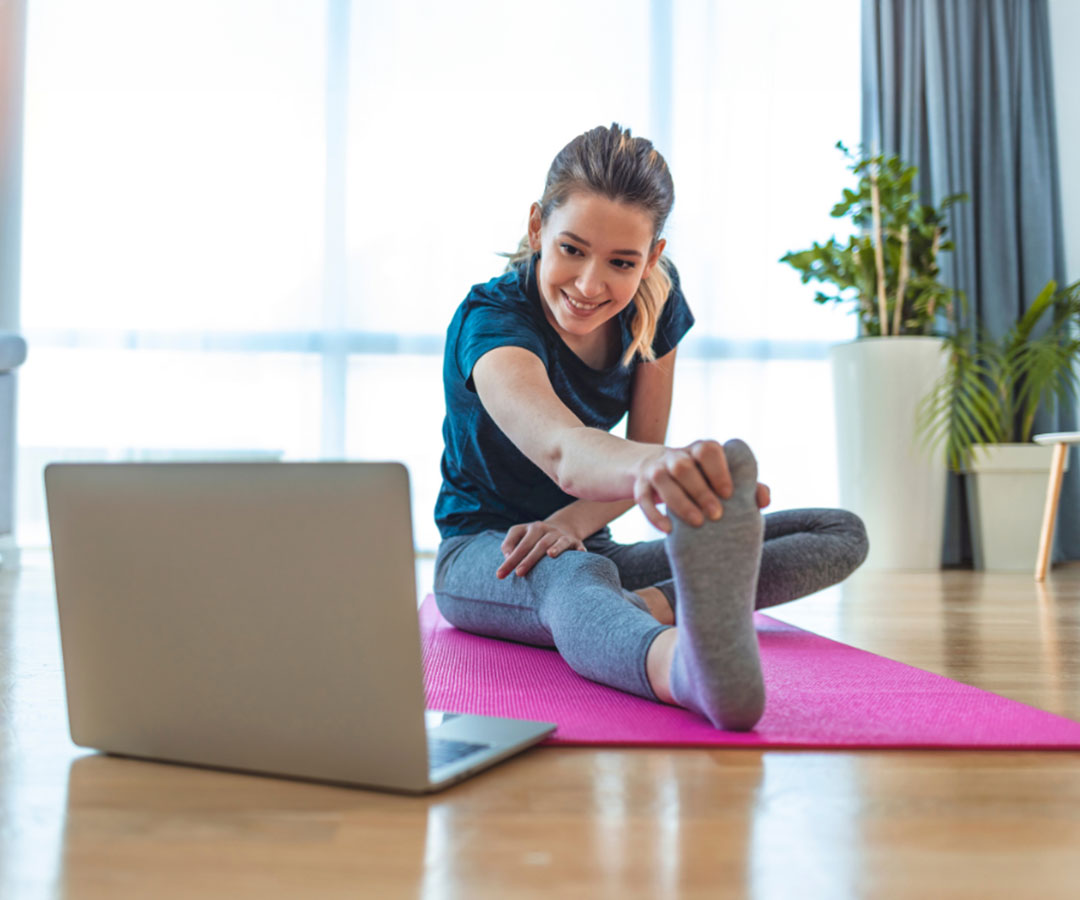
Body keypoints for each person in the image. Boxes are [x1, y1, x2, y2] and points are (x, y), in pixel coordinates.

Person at [433, 123, 868, 732]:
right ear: (537, 227)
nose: (590, 284)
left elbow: (638, 446)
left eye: (621, 262)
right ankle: (681, 668)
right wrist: (658, 468)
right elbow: (564, 450)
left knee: (837, 530)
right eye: (571, 249)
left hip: (590, 538)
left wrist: (582, 517)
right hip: (488, 550)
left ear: (653, 257)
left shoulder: (655, 300)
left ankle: (643, 608)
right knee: (571, 575)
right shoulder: (492, 322)